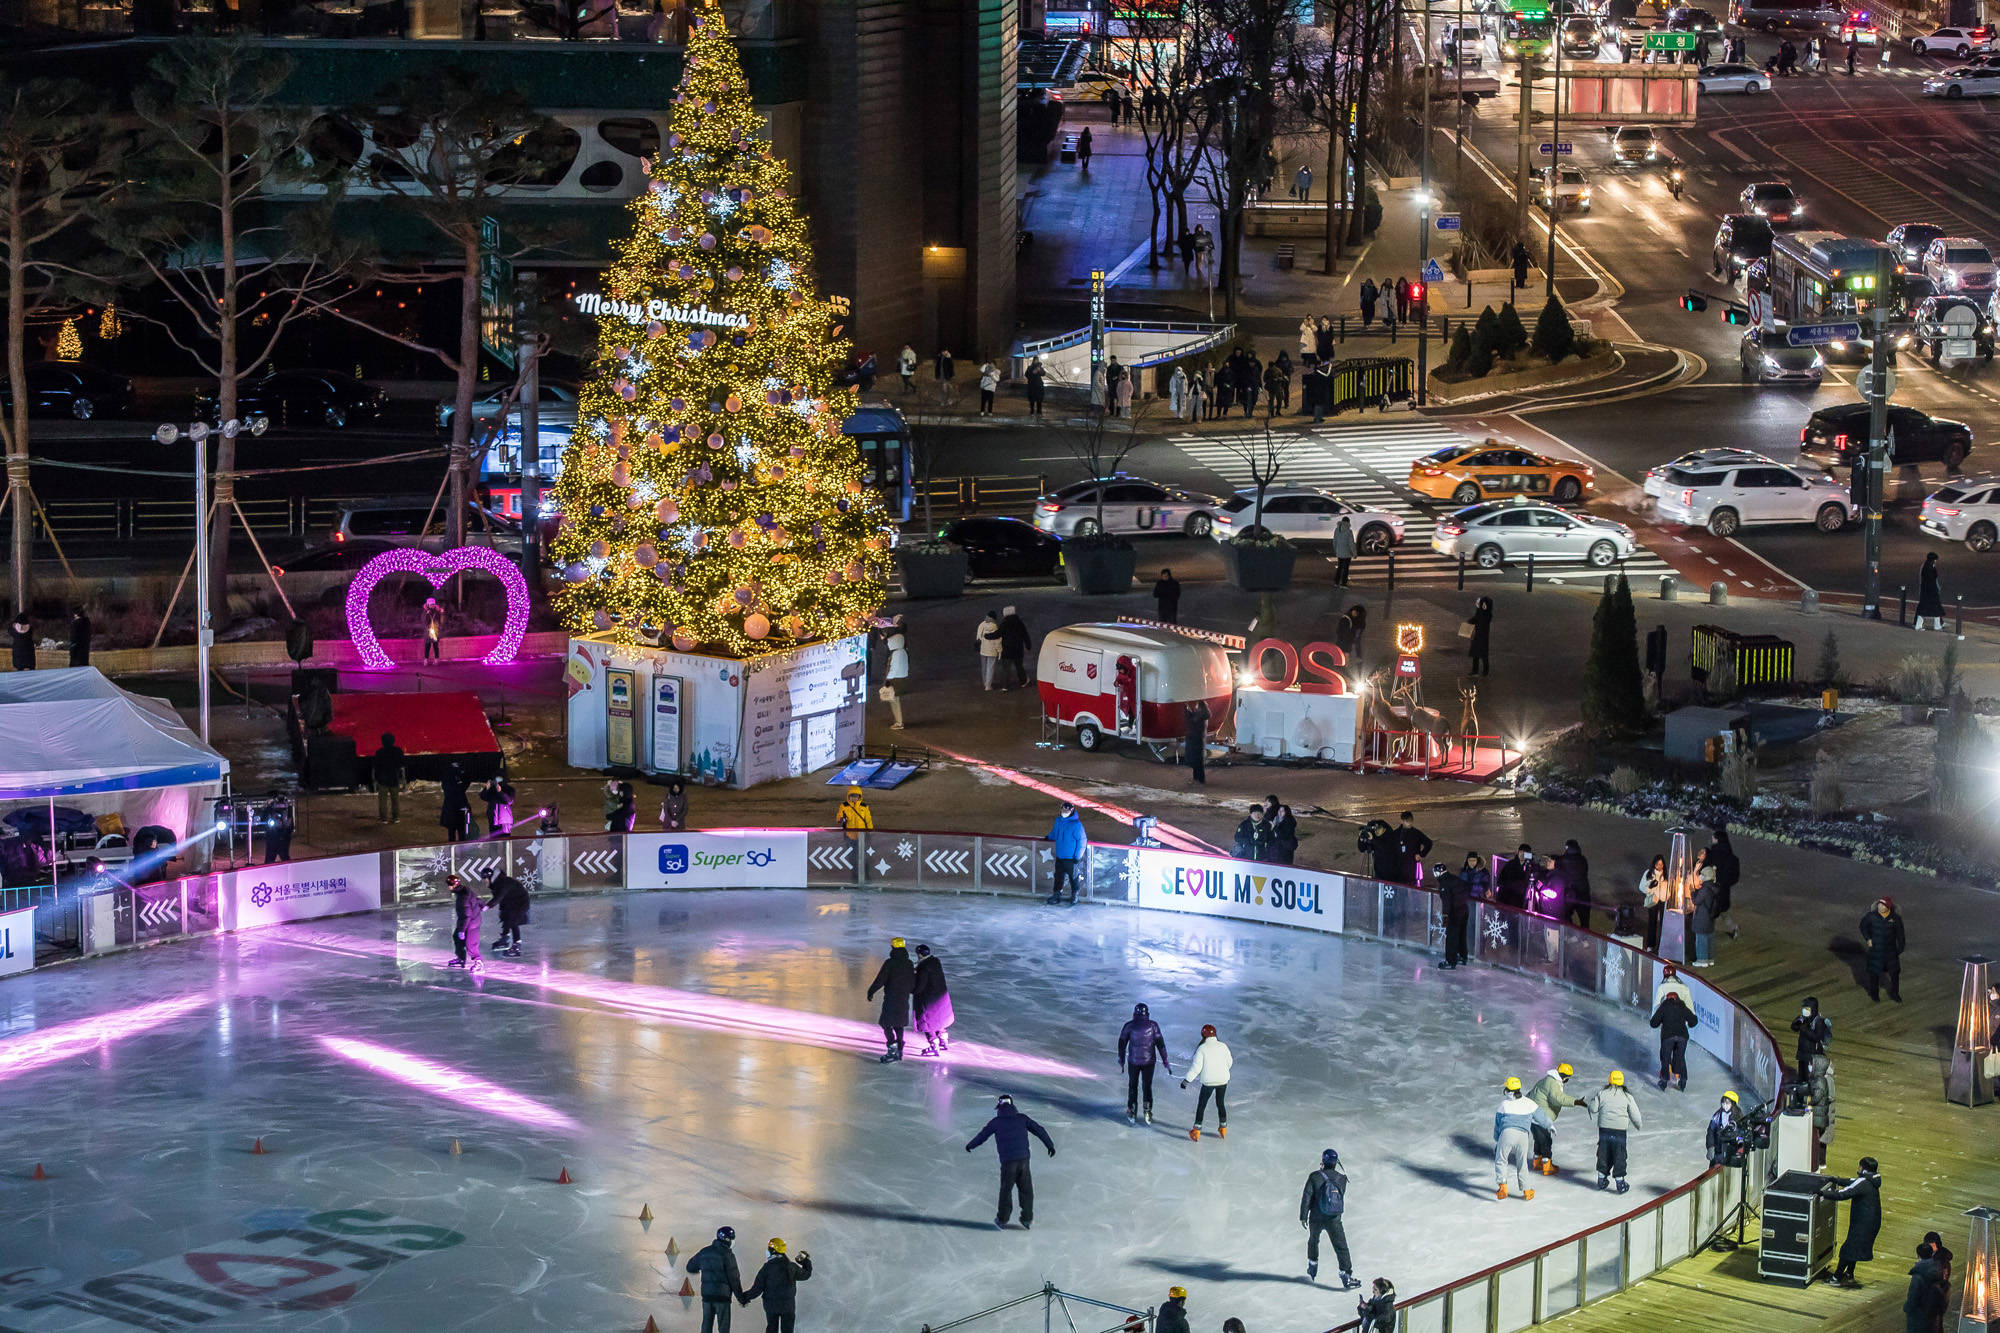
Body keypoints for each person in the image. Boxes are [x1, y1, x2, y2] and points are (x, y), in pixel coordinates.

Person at [965, 1093, 1055, 1229]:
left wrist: (970, 1145)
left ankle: (1002, 1219)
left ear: (999, 1107)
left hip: (1008, 1162)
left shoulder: (995, 1122)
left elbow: (982, 1136)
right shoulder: (1022, 1118)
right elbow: (1039, 1130)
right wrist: (1049, 1145)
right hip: (1024, 1160)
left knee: (1006, 1191)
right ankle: (1027, 1218)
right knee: (1026, 1190)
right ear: (1013, 1105)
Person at [1301, 1147, 1361, 1287]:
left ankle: (1313, 1264)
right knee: (1341, 1247)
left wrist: (1304, 1216)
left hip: (1316, 1217)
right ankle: (1346, 1274)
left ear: (1323, 1160)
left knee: (1313, 1240)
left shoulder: (1314, 1176)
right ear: (1336, 1162)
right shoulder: (1342, 1179)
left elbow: (1307, 1197)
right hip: (1334, 1219)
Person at [1822, 1157, 1883, 1286]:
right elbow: (1852, 1182)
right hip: (1871, 1222)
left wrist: (1824, 1194)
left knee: (1847, 1250)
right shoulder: (1871, 1181)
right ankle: (1849, 1274)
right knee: (1854, 1249)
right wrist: (1837, 1180)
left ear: (1864, 1169)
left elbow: (1843, 1194)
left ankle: (1836, 1279)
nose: (1858, 1170)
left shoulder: (1864, 1183)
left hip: (1863, 1224)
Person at [1583, 1070, 1642, 1193]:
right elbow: (1635, 1114)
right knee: (1619, 1154)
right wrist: (1638, 1125)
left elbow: (1593, 1109)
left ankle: (1601, 1179)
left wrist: (1591, 1104)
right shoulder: (1627, 1097)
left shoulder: (1602, 1094)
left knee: (1603, 1152)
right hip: (1620, 1131)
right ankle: (1620, 1182)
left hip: (1604, 1130)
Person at [739, 1237, 811, 1333]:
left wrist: (744, 1298)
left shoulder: (767, 1268)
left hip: (771, 1305)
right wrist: (805, 1261)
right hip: (788, 1305)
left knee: (772, 1329)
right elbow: (806, 1275)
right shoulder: (791, 1267)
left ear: (772, 1250)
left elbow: (757, 1288)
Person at [1118, 1001, 1172, 1123]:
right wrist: (1165, 1060)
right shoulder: (1153, 1025)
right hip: (1149, 1062)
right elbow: (1160, 1044)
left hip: (1133, 1062)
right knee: (1147, 1086)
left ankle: (1132, 1110)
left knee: (1133, 1085)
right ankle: (1147, 1111)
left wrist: (1121, 1059)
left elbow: (1122, 1044)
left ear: (1134, 1014)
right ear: (1147, 1014)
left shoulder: (1129, 1026)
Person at [866, 937, 916, 1063]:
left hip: (891, 998)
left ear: (893, 948)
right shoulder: (909, 963)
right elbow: (912, 982)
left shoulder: (890, 963)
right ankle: (899, 1049)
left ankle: (892, 1048)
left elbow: (880, 979)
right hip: (903, 998)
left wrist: (871, 990)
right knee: (899, 1024)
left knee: (886, 1023)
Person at [687, 1226, 745, 1333]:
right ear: (728, 1239)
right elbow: (734, 1279)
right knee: (723, 1328)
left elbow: (690, 1267)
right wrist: (741, 1298)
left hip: (707, 1295)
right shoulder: (728, 1255)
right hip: (723, 1297)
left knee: (706, 1325)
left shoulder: (705, 1251)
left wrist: (704, 1269)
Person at [1527, 1064, 1583, 1175]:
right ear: (1563, 1076)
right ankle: (1547, 1165)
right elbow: (1558, 1098)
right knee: (1546, 1141)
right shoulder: (1552, 1083)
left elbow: (1530, 1094)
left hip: (1533, 1116)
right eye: (1567, 1077)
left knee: (1538, 1140)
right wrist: (1576, 1101)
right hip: (1542, 1117)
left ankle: (1536, 1162)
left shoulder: (1546, 1080)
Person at [1181, 1022, 1232, 1140]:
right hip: (1223, 1081)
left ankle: (1197, 1130)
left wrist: (1186, 1081)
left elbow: (1196, 1068)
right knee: (1220, 1103)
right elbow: (1229, 1063)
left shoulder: (1202, 1048)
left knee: (1202, 1105)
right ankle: (1223, 1127)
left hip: (1208, 1082)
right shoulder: (1223, 1046)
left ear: (1203, 1036)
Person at [1494, 1076, 1537, 1201]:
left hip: (1507, 1134)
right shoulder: (1528, 1102)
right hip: (1523, 1135)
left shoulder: (1503, 1105)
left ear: (1507, 1090)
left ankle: (1503, 1186)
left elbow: (1498, 1125)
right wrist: (1549, 1125)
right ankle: (1527, 1190)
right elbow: (1540, 1116)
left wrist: (1497, 1139)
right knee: (1522, 1163)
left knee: (1501, 1159)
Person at [1650, 986, 1699, 1090]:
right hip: (1682, 1036)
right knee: (1680, 1056)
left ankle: (1664, 1079)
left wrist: (1660, 1022)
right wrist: (1688, 1024)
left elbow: (1653, 1022)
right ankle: (1683, 1078)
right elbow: (1694, 1020)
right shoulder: (1682, 1006)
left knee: (1665, 1056)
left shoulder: (1665, 1005)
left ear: (1668, 999)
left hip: (1668, 1035)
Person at [911, 943, 954, 1055]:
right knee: (939, 1019)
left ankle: (934, 1044)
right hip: (941, 996)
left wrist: (911, 988)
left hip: (929, 1000)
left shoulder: (923, 968)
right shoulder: (935, 962)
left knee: (928, 1022)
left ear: (919, 955)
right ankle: (943, 1039)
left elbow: (920, 987)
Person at [1861, 897, 1905, 1002]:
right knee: (1874, 973)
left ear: (1888, 907)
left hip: (1890, 951)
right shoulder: (1871, 916)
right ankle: (1874, 993)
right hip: (1876, 950)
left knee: (1894, 974)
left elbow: (1900, 934)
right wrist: (1868, 938)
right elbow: (1862, 926)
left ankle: (1895, 993)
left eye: (1882, 905)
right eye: (1879, 904)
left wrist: (1900, 947)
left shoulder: (1895, 918)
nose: (1880, 906)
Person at [1047, 801, 1086, 905]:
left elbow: (1082, 841)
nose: (1064, 812)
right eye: (1063, 810)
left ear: (1071, 811)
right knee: (1058, 877)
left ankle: (1074, 894)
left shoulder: (1076, 825)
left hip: (1071, 858)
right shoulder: (1058, 821)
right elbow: (1055, 832)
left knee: (1073, 877)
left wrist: (1077, 856)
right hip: (1060, 855)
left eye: (1067, 810)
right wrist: (1049, 837)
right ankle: (1056, 895)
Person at [1435, 861, 1471, 969]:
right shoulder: (1454, 878)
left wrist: (1445, 917)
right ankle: (1462, 956)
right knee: (1461, 934)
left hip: (1455, 912)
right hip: (1464, 909)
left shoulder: (1444, 883)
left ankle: (1451, 961)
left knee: (1451, 936)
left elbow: (1446, 901)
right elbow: (1466, 889)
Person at [1905, 1243, 1946, 1333]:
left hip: (1918, 1316)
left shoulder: (1918, 1275)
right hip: (1932, 1313)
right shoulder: (1938, 1269)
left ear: (1918, 1255)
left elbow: (1913, 1296)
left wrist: (1907, 1308)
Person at [1709, 826, 1741, 938]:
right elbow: (1735, 876)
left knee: (1710, 910)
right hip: (1725, 889)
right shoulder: (1731, 856)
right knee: (1723, 911)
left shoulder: (1713, 854)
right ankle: (1733, 928)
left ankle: (1708, 932)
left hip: (1713, 887)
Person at [488, 868, 529, 956]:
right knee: (505, 916)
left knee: (513, 921)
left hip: (521, 902)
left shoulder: (504, 882)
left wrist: (487, 906)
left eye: (485, 879)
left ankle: (517, 946)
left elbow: (498, 897)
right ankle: (505, 938)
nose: (485, 882)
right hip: (511, 902)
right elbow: (502, 899)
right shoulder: (497, 883)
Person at [1792, 997, 1833, 1084]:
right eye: (1804, 1009)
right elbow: (1794, 1027)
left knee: (1811, 1079)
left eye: (1807, 1009)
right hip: (1802, 1054)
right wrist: (1797, 1023)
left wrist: (1804, 1029)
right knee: (1801, 1077)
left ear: (1813, 1010)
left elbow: (1816, 1037)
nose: (1805, 1011)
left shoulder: (1818, 1022)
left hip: (1813, 1056)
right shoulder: (1804, 1019)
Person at [1553, 839, 1592, 929]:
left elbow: (1558, 872)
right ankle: (1584, 940)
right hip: (1584, 892)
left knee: (1566, 915)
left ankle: (1569, 935)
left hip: (1570, 894)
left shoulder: (1562, 860)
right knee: (1584, 919)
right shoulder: (1583, 859)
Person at [447, 874, 483, 970]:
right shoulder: (464, 891)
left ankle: (479, 962)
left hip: (472, 923)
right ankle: (461, 959)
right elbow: (476, 899)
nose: (448, 887)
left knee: (471, 944)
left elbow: (467, 915)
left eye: (449, 885)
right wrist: (482, 905)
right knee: (457, 938)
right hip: (467, 921)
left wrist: (462, 930)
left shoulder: (463, 896)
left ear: (454, 885)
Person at [1705, 1090, 1745, 1165]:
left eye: (1727, 1103)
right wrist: (1710, 1147)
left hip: (1731, 1152)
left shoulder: (1738, 1117)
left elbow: (1742, 1132)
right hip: (1718, 1151)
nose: (1724, 1106)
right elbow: (1710, 1131)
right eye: (1723, 1103)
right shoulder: (1717, 1116)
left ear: (1733, 1104)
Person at [997, 606, 1033, 690]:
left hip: (1006, 650)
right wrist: (1028, 645)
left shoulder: (1004, 623)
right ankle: (1023, 682)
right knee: (1019, 666)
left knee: (1006, 668)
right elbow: (1025, 635)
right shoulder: (1019, 623)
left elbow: (998, 634)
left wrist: (987, 636)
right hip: (1017, 649)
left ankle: (1005, 686)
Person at [1392, 812, 1432, 885]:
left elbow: (1429, 843)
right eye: (1407, 821)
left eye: (1411, 821)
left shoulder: (1416, 833)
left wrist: (1421, 854)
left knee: (1413, 886)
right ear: (1402, 821)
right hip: (1398, 866)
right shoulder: (1396, 834)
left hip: (1411, 865)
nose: (1409, 823)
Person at [1639, 854, 1669, 951]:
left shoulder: (1666, 874)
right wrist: (1650, 887)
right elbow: (1641, 887)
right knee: (1652, 923)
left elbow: (1670, 887)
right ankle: (1650, 945)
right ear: (1654, 864)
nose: (1659, 867)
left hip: (1663, 901)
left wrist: (1667, 896)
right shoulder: (1648, 873)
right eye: (1657, 864)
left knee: (1664, 924)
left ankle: (1663, 945)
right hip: (1653, 901)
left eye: (1661, 864)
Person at [1691, 866, 1718, 967]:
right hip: (1711, 917)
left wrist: (1693, 893)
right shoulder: (1714, 887)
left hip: (1702, 917)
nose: (1700, 876)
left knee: (1701, 939)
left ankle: (1702, 960)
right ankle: (1710, 959)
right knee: (1709, 939)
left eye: (1702, 875)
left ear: (1706, 876)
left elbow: (1696, 901)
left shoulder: (1704, 890)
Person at [881, 631, 908, 730]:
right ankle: (898, 721)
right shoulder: (903, 652)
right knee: (896, 700)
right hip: (902, 678)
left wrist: (888, 679)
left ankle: (899, 722)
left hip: (895, 679)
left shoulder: (896, 653)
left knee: (894, 701)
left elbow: (894, 668)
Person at [439, 765, 473, 843]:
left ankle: (453, 850)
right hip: (457, 810)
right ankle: (461, 851)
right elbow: (462, 788)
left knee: (452, 832)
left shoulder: (447, 784)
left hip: (451, 809)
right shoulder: (456, 787)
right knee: (460, 832)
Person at [1466, 597, 1493, 676]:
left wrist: (1480, 608)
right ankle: (1475, 670)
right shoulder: (1480, 613)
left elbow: (1481, 617)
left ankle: (1485, 671)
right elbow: (1475, 618)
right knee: (1475, 653)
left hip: (1483, 636)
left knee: (1483, 655)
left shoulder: (1487, 615)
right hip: (1477, 635)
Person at [261, 797, 294, 863]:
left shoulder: (287, 808)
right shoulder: (270, 808)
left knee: (283, 856)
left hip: (282, 834)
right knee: (272, 857)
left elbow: (290, 824)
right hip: (274, 834)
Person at [976, 612, 1003, 690]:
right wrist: (999, 650)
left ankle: (985, 682)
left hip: (983, 650)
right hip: (992, 650)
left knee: (984, 667)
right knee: (990, 668)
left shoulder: (982, 625)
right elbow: (997, 640)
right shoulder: (995, 627)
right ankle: (988, 685)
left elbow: (978, 637)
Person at [1331, 516, 1355, 586]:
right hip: (1347, 553)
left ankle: (1336, 582)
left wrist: (1336, 550)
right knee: (1346, 569)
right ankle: (1343, 583)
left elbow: (1334, 541)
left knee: (1340, 567)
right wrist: (1354, 553)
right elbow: (1351, 543)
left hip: (1339, 552)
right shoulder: (1349, 531)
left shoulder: (1337, 530)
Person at [422, 596, 444, 663]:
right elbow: (424, 622)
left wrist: (442, 614)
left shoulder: (437, 612)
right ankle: (426, 659)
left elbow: (442, 621)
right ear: (428, 605)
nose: (432, 606)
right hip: (428, 631)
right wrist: (427, 615)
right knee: (427, 646)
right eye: (431, 604)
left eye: (433, 604)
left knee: (435, 646)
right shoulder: (425, 612)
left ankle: (436, 659)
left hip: (435, 631)